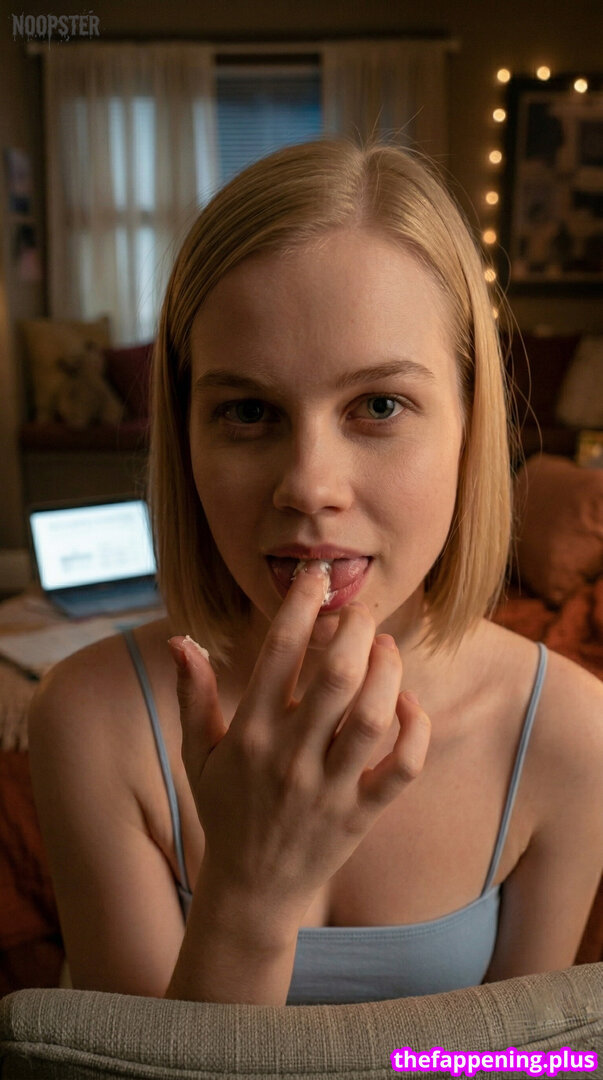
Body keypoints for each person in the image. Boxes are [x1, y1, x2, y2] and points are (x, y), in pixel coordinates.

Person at [28, 138, 603, 1006]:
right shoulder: (87, 719)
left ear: (469, 424)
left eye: (379, 405)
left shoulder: (569, 732)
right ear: (185, 436)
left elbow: (519, 1063)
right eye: (247, 410)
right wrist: (253, 894)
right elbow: (133, 1067)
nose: (307, 485)